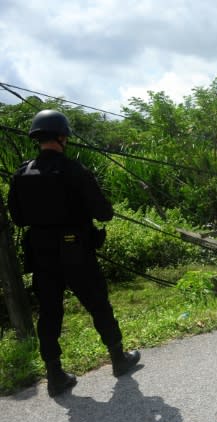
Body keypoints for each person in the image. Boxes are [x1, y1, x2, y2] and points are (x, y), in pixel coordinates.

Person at [7, 109, 140, 397]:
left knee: (50, 313)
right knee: (98, 304)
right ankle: (118, 358)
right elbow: (104, 213)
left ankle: (55, 375)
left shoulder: (22, 173)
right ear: (62, 137)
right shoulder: (74, 170)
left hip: (41, 254)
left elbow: (17, 218)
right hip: (76, 250)